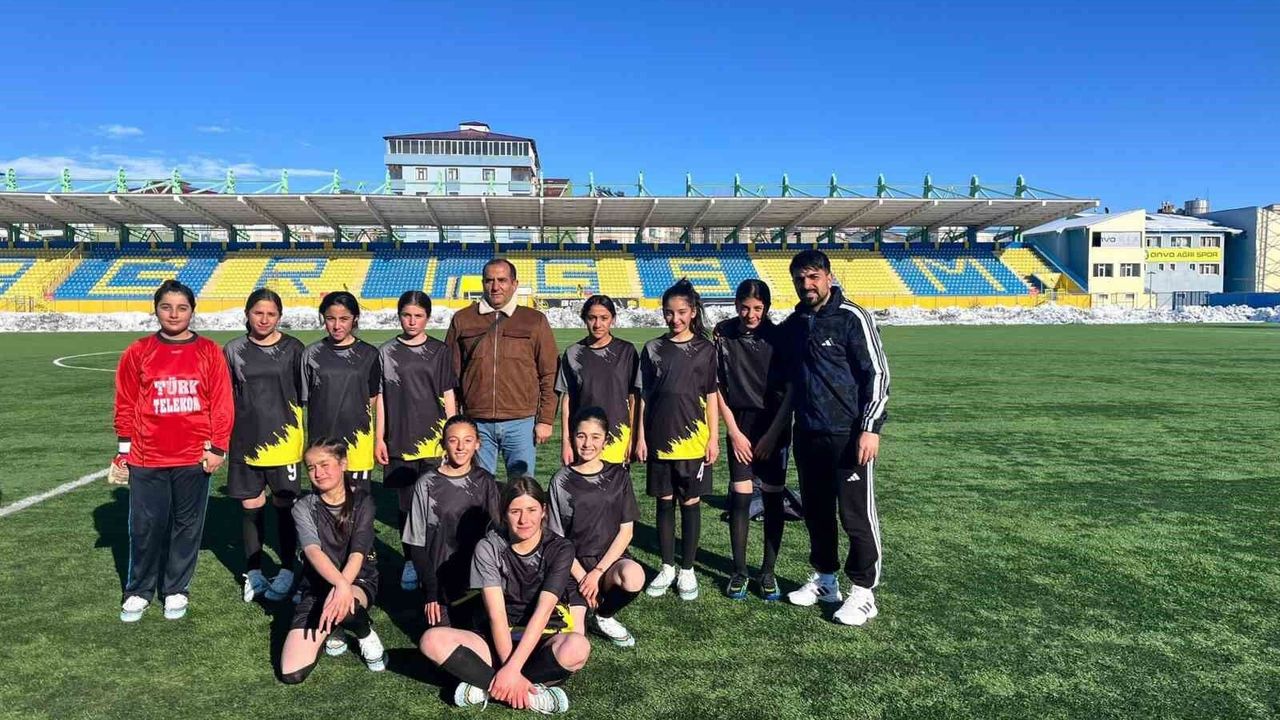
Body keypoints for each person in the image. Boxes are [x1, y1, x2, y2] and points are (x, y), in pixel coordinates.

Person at [777, 249, 889, 626]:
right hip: (808, 433)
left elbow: (877, 374)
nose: (806, 284)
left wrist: (870, 427)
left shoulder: (852, 317)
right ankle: (826, 580)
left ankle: (864, 591)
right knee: (817, 512)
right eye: (799, 279)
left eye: (813, 277)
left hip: (849, 435)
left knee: (855, 515)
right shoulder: (796, 323)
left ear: (828, 276)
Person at [112, 279, 234, 623]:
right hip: (147, 456)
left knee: (187, 526)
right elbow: (125, 401)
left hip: (194, 456)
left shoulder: (209, 351)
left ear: (192, 311)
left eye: (182, 308)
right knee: (145, 526)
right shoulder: (138, 350)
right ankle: (139, 590)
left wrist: (218, 447)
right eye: (166, 307)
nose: (174, 314)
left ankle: (176, 588)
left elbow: (221, 402)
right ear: (156, 310)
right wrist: (124, 449)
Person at [419, 477, 589, 713]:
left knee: (578, 647)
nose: (524, 519)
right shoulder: (488, 547)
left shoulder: (561, 548)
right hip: (496, 637)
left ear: (544, 511)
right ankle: (529, 693)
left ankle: (487, 687)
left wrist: (512, 670)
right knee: (431, 640)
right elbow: (497, 615)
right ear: (503, 514)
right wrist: (510, 669)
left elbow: (543, 612)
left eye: (531, 510)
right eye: (515, 511)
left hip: (543, 636)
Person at [635, 279, 720, 601]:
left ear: (693, 312)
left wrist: (713, 438)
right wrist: (641, 437)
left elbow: (711, 396)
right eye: (669, 313)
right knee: (664, 503)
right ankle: (667, 566)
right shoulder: (652, 349)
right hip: (659, 440)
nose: (675, 318)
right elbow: (643, 397)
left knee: (690, 503)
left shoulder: (706, 349)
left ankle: (687, 569)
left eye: (682, 312)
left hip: (693, 441)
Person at [278, 438, 387, 683]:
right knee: (291, 673)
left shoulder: (363, 501)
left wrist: (342, 588)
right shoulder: (302, 507)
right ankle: (334, 627)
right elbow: (313, 552)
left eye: (325, 465)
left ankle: (365, 633)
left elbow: (358, 551)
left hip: (358, 579)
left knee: (345, 607)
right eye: (311, 467)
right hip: (317, 586)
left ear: (343, 464)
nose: (318, 473)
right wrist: (338, 585)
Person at [224, 288, 307, 604]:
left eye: (271, 314)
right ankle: (254, 571)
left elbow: (306, 393)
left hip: (285, 441)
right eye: (258, 313)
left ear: (279, 317)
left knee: (285, 505)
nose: (264, 319)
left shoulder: (293, 348)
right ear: (247, 314)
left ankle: (286, 569)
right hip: (245, 442)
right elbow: (224, 397)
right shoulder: (233, 350)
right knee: (251, 506)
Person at [376, 290, 459, 591]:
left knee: (436, 503)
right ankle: (411, 560)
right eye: (406, 315)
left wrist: (452, 436)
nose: (412, 321)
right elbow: (381, 398)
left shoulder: (439, 351)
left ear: (428, 317)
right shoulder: (386, 352)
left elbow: (448, 394)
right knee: (407, 503)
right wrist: (379, 438)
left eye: (418, 316)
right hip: (399, 438)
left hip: (434, 440)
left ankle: (436, 558)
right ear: (399, 316)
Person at [444, 258, 557, 478]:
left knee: (521, 486)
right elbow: (450, 374)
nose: (495, 287)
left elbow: (549, 372)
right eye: (489, 280)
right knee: (477, 485)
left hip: (521, 422)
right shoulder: (463, 319)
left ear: (514, 284)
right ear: (482, 283)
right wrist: (453, 419)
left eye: (502, 280)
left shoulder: (534, 320)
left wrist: (545, 419)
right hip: (476, 422)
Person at [714, 279, 790, 601]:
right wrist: (733, 431)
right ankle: (740, 571)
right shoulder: (723, 334)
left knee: (773, 497)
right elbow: (716, 386)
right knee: (741, 497)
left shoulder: (779, 337)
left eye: (758, 308)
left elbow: (792, 391)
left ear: (766, 308)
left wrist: (773, 434)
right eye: (745, 307)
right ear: (736, 305)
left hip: (774, 425)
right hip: (740, 426)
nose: (751, 314)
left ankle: (768, 571)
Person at [548, 406, 645, 647]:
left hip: (609, 564)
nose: (587, 443)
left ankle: (603, 615)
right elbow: (557, 539)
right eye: (581, 436)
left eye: (595, 437)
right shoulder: (561, 480)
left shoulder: (619, 475)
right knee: (575, 640)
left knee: (634, 576)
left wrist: (598, 573)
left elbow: (626, 531)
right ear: (572, 437)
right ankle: (583, 613)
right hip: (574, 567)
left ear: (605, 440)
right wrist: (584, 578)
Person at [402, 416, 501, 630]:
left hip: (478, 579)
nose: (460, 447)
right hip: (439, 580)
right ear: (444, 444)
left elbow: (497, 534)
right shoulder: (426, 484)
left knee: (481, 636)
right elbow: (416, 544)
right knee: (439, 642)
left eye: (467, 440)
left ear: (477, 444)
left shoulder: (485, 481)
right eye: (453, 440)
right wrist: (431, 591)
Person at [301, 291, 381, 493]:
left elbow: (373, 397)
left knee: (357, 501)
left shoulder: (369, 354)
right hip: (321, 441)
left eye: (344, 319)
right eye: (330, 318)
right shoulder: (311, 354)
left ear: (355, 319)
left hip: (357, 441)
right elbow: (306, 398)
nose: (337, 325)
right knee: (325, 499)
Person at [555, 294, 639, 467]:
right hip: (583, 440)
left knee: (615, 484)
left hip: (618, 437)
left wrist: (633, 438)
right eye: (592, 318)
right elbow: (567, 400)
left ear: (613, 319)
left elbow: (634, 397)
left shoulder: (626, 351)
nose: (597, 324)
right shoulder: (573, 353)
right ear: (584, 319)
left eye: (604, 318)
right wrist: (566, 442)